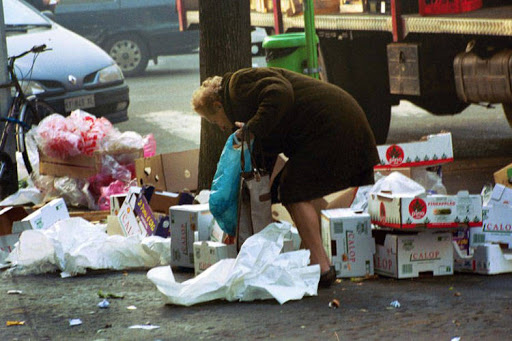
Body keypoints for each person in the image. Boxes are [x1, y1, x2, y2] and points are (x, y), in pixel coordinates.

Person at [191, 67, 379, 288]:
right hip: (332, 124)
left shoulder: (237, 88)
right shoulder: (240, 100)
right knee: (293, 187)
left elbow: (281, 93)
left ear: (217, 105)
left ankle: (321, 267)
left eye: (215, 121)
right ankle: (314, 254)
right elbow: (270, 144)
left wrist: (252, 129)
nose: (221, 127)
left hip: (334, 125)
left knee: (294, 190)